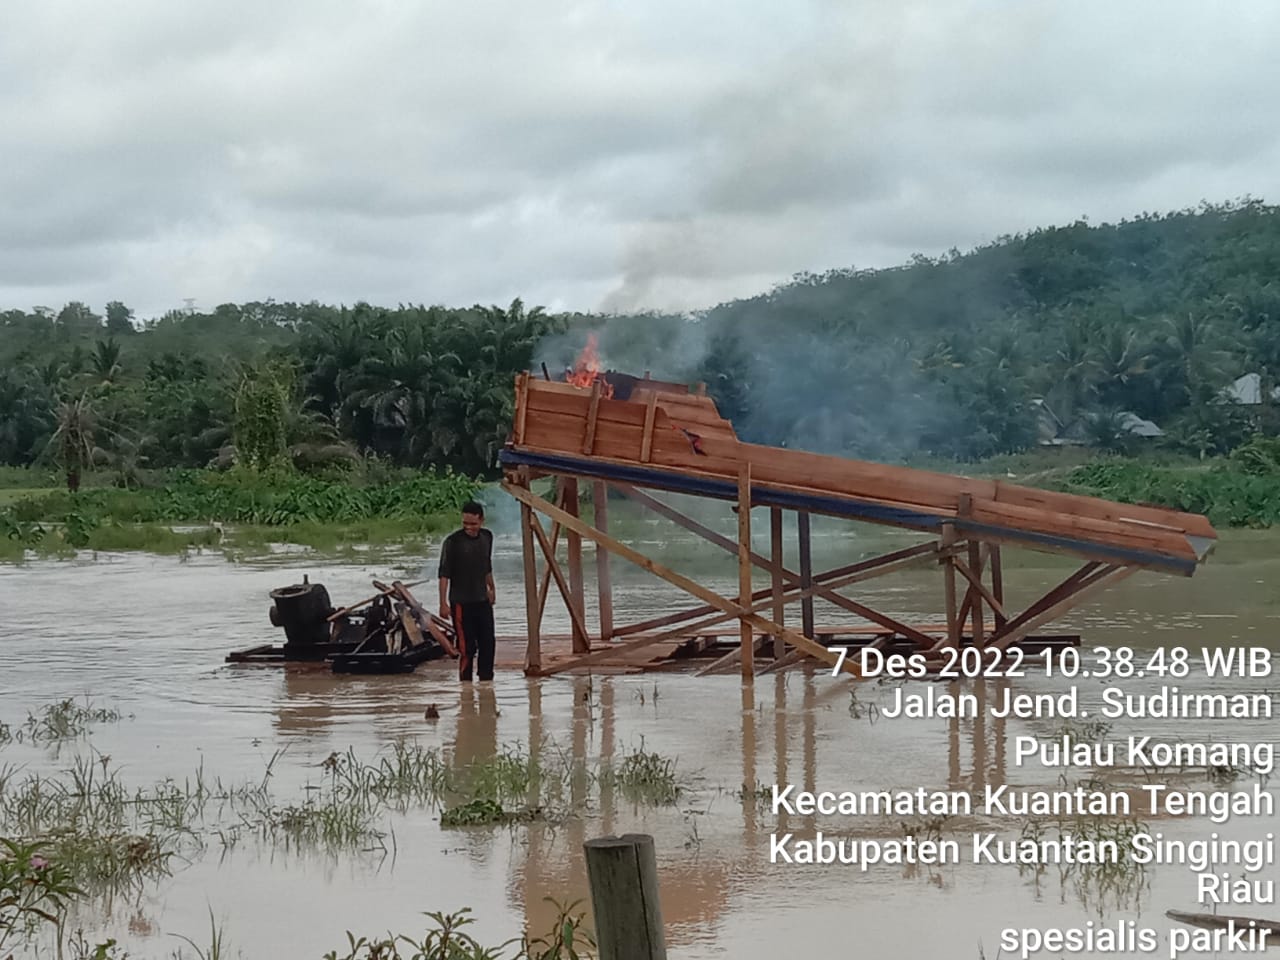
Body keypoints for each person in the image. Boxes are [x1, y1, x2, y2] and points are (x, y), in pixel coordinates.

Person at [438, 500, 497, 682]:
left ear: (482, 521)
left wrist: (492, 587)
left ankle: (487, 684)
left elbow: (486, 565)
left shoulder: (487, 537)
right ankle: (466, 687)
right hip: (461, 603)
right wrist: (443, 603)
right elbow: (444, 575)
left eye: (473, 524)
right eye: (465, 524)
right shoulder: (453, 542)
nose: (469, 528)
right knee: (466, 648)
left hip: (482, 600)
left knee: (488, 643)